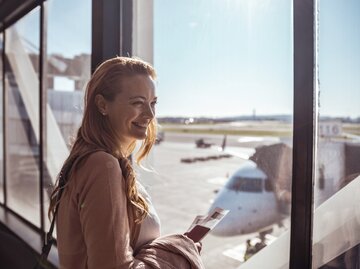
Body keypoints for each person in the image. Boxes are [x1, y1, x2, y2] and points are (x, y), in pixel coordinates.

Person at [48, 56, 204, 269]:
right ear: (103, 105)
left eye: (153, 103)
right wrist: (179, 251)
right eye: (138, 103)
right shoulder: (103, 166)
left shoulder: (91, 160)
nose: (150, 114)